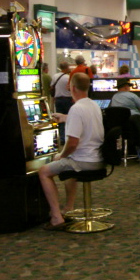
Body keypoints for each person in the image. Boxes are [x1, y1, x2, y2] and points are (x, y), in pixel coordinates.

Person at [38, 73, 104, 230]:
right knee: (68, 167)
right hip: (98, 159)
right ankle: (68, 208)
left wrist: (61, 155)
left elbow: (72, 143)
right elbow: (84, 119)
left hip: (84, 161)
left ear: (72, 88)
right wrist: (65, 117)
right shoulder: (93, 105)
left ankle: (56, 217)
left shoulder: (76, 108)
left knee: (44, 171)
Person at [110, 77, 140, 151]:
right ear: (126, 87)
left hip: (120, 126)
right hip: (134, 124)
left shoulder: (114, 97)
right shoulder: (131, 95)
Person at [51, 61, 73, 145]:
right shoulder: (68, 77)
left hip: (58, 100)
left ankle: (61, 138)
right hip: (67, 100)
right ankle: (67, 137)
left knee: (59, 119)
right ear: (66, 68)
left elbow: (51, 87)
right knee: (68, 118)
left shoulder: (55, 76)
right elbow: (70, 88)